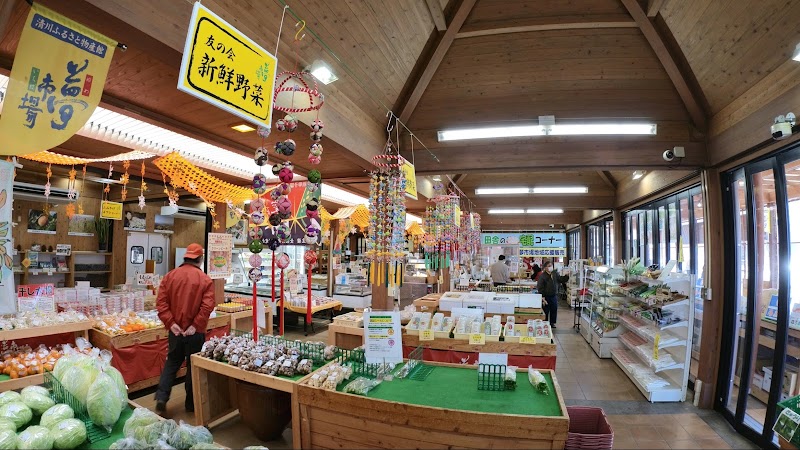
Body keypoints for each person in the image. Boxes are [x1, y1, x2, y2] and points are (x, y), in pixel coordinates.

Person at [155, 243, 215, 414]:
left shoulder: (170, 276)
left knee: (172, 361)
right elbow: (207, 306)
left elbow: (161, 303)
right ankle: (191, 404)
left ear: (186, 258)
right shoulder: (205, 279)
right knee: (193, 365)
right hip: (195, 333)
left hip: (175, 331)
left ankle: (161, 397)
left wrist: (171, 323)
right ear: (200, 259)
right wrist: (195, 326)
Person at [537, 261, 569, 328]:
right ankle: (545, 322)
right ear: (545, 268)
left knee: (554, 309)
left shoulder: (555, 274)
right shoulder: (542, 276)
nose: (550, 267)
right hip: (546, 296)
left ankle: (552, 323)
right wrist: (542, 296)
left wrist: (566, 276)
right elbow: (540, 287)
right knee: (546, 310)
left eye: (551, 265)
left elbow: (560, 279)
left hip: (554, 295)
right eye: (549, 266)